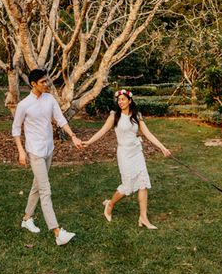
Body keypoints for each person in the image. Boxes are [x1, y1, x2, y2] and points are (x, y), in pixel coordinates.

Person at [81, 88, 171, 229]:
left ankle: (143, 218)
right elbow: (102, 131)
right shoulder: (114, 116)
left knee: (143, 183)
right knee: (127, 186)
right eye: (118, 100)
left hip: (137, 153)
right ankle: (110, 204)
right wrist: (89, 142)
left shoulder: (136, 115)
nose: (120, 102)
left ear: (129, 100)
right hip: (124, 154)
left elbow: (148, 134)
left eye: (123, 99)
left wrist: (162, 147)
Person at [12, 68, 83, 246]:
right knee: (45, 190)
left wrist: (73, 136)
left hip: (48, 150)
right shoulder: (24, 105)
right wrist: (21, 151)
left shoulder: (50, 99)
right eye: (43, 82)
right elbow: (15, 130)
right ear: (33, 84)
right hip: (34, 152)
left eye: (47, 81)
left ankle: (27, 218)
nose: (47, 84)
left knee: (37, 186)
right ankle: (57, 232)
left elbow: (61, 120)